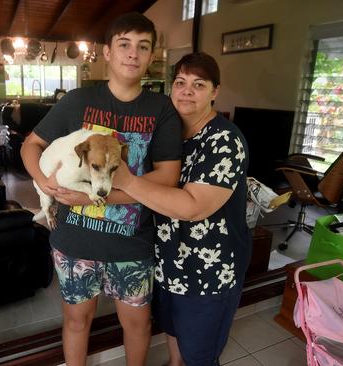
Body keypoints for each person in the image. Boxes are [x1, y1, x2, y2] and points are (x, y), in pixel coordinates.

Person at [20, 12, 182, 366]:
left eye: (143, 47)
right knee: (77, 320)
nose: (132, 54)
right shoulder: (77, 102)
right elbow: (30, 145)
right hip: (75, 240)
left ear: (152, 55)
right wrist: (44, 181)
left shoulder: (162, 109)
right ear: (107, 52)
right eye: (124, 44)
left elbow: (168, 177)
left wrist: (95, 196)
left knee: (138, 324)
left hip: (132, 240)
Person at [112, 52, 251, 366]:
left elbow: (192, 208)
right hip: (168, 260)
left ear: (214, 92)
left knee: (199, 355)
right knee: (173, 334)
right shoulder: (169, 134)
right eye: (181, 82)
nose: (187, 91)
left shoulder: (224, 140)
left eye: (199, 84)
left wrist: (127, 181)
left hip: (209, 271)